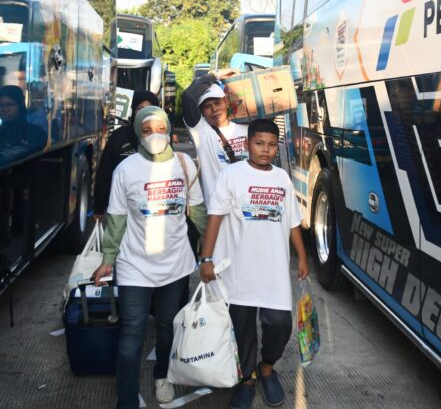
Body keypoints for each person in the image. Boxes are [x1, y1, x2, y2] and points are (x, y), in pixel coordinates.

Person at [92, 106, 206, 408]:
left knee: (168, 325)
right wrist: (108, 259)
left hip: (176, 264)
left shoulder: (184, 164)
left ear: (168, 130)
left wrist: (213, 250)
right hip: (134, 265)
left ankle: (162, 375)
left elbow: (197, 212)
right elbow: (116, 218)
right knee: (132, 333)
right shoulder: (126, 169)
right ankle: (127, 399)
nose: (154, 135)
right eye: (146, 130)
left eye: (160, 128)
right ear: (138, 134)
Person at [199, 118, 308, 409]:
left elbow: (293, 222)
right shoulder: (231, 175)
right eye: (259, 143)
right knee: (242, 328)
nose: (265, 150)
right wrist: (207, 259)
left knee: (280, 324)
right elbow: (215, 217)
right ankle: (245, 379)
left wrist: (302, 256)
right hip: (239, 270)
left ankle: (267, 367)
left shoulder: (282, 178)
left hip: (274, 270)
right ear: (248, 144)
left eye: (271, 145)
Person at [181, 71, 248, 233]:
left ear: (226, 102)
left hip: (246, 208)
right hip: (218, 214)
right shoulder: (201, 131)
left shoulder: (246, 128)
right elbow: (188, 97)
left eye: (217, 103)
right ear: (202, 112)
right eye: (207, 106)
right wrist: (213, 76)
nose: (214, 109)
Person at [92, 89, 160, 221]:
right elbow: (105, 172)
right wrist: (99, 207)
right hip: (121, 208)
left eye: (149, 108)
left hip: (153, 209)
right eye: (140, 108)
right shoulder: (119, 137)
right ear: (133, 111)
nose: (144, 113)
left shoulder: (162, 137)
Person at [0, 85, 48, 165]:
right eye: (0, 105)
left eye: (10, 105)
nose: (5, 109)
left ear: (21, 105)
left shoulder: (36, 133)